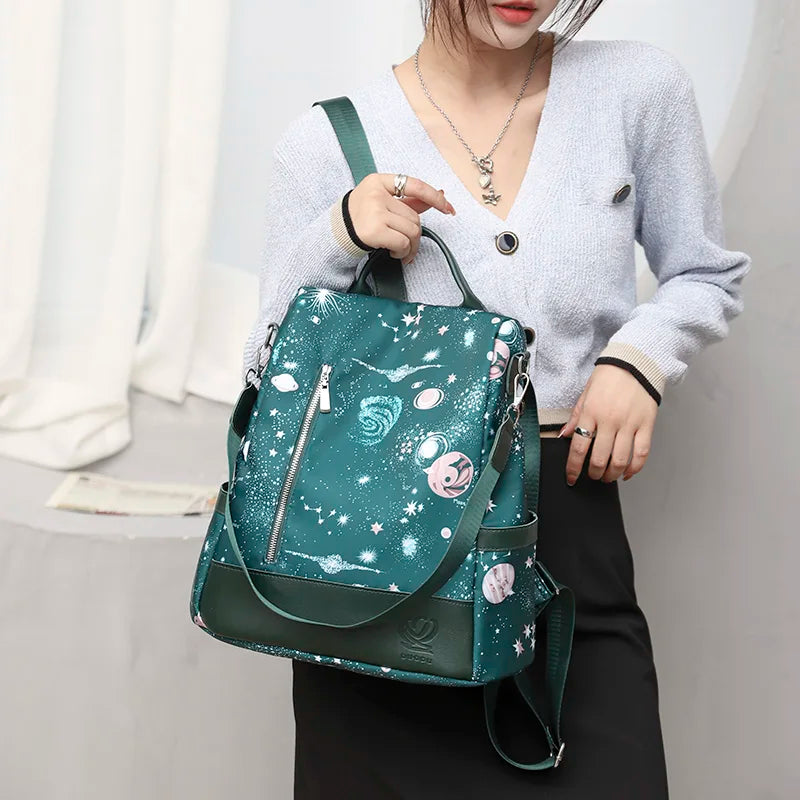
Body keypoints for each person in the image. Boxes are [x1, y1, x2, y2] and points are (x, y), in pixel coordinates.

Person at [241, 1, 751, 796]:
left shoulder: (637, 89)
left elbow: (704, 273)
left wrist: (638, 361)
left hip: (571, 546)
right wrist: (338, 236)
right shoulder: (326, 142)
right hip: (382, 585)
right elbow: (268, 376)